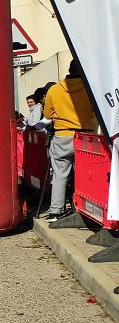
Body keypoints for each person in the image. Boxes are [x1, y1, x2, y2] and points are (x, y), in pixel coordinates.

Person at [41, 59, 98, 222]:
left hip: (62, 135)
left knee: (60, 174)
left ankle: (55, 211)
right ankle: (87, 210)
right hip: (86, 136)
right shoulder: (90, 87)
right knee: (87, 174)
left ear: (69, 70)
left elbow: (47, 114)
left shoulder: (55, 89)